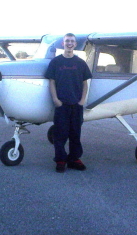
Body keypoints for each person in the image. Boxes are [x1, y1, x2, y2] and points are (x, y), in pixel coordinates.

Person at [44, 33, 92, 173]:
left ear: (75, 44)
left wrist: (82, 101)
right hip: (61, 105)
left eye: (72, 41)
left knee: (75, 134)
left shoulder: (80, 63)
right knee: (60, 134)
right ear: (63, 44)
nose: (69, 43)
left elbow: (85, 84)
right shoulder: (56, 62)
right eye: (67, 41)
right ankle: (60, 160)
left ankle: (74, 159)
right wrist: (55, 100)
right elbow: (51, 82)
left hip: (76, 105)